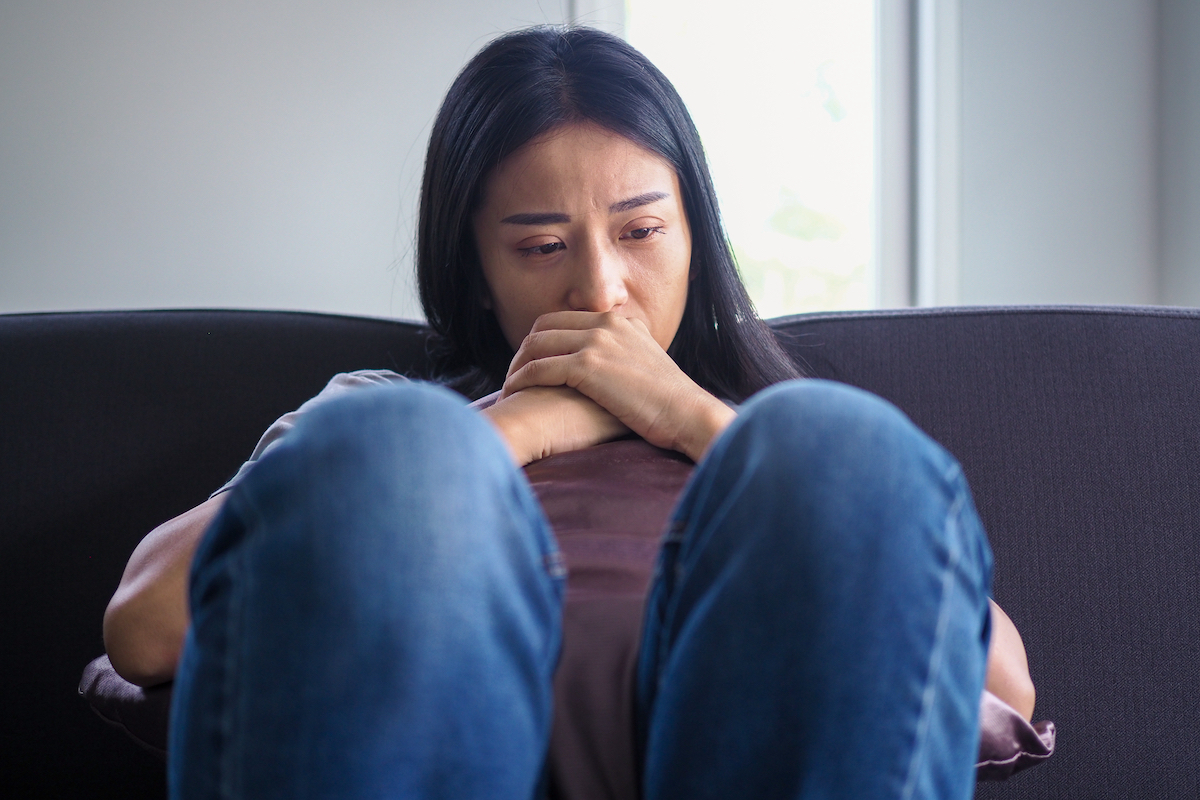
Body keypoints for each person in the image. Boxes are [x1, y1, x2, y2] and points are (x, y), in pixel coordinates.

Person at [102, 25, 1035, 800]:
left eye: (640, 231)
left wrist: (693, 420)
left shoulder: (779, 447)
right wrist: (517, 426)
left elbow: (997, 682)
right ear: (476, 272)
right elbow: (144, 625)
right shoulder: (388, 419)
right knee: (397, 453)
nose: (601, 289)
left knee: (831, 446)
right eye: (543, 245)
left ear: (695, 235)